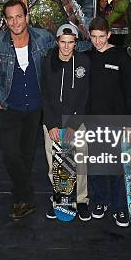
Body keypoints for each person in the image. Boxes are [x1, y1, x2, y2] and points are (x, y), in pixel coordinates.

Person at [0, 0, 57, 220]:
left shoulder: (43, 38)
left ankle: (20, 198)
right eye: (10, 18)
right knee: (9, 155)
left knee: (26, 155)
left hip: (35, 107)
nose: (15, 22)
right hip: (8, 107)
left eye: (19, 16)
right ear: (5, 21)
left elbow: (63, 56)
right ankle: (27, 194)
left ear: (27, 17)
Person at [85, 17, 131, 226]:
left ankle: (119, 207)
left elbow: (130, 91)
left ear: (109, 35)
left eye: (101, 37)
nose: (97, 42)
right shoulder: (86, 57)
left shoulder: (122, 56)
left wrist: (130, 122)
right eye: (94, 37)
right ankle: (99, 201)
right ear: (89, 36)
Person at [41, 23, 91, 221]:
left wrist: (73, 125)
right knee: (55, 164)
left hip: (76, 123)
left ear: (75, 43)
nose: (66, 46)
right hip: (53, 123)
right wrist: (51, 124)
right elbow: (44, 94)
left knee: (80, 164)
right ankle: (60, 199)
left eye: (70, 43)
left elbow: (84, 96)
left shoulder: (83, 62)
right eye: (63, 42)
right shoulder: (47, 61)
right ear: (57, 42)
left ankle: (80, 200)